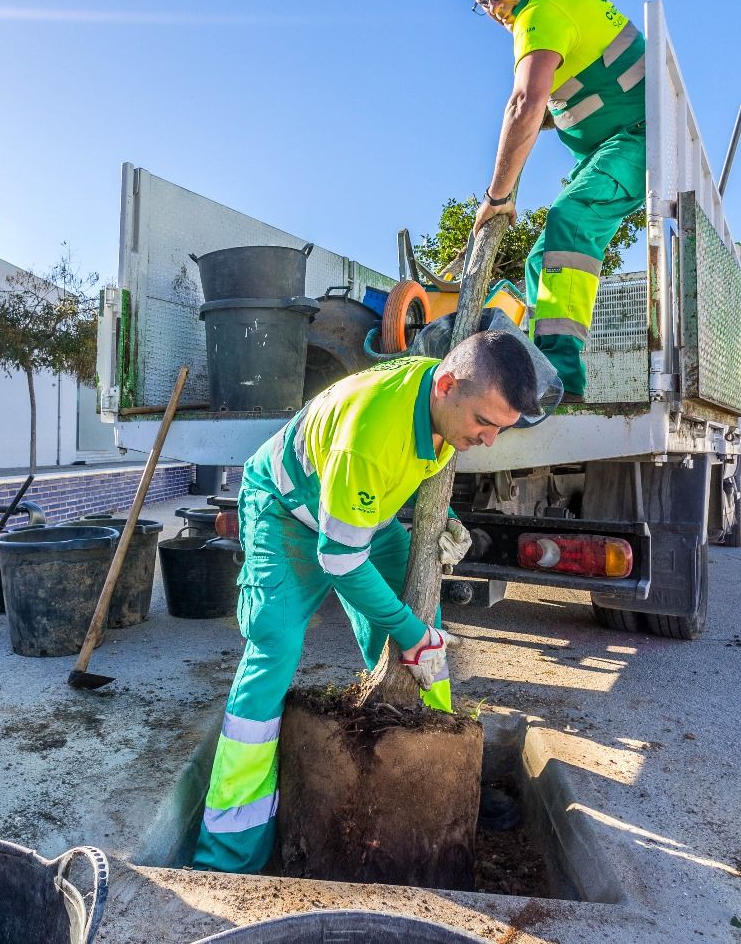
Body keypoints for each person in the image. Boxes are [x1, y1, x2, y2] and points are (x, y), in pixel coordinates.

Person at [192, 330, 540, 874]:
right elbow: (341, 561)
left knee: (425, 624)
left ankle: (436, 776)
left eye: (501, 427)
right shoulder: (370, 433)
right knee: (275, 646)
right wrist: (406, 630)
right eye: (484, 423)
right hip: (286, 510)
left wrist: (442, 523)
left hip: (363, 517)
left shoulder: (444, 398)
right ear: (446, 386)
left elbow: (413, 481)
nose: (490, 440)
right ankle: (231, 847)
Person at [463, 0, 647, 401]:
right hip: (614, 142)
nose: (494, 9)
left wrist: (498, 198)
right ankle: (542, 368)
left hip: (641, 137)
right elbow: (569, 94)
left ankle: (561, 385)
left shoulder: (541, 11)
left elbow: (525, 103)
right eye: (482, 2)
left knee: (571, 217)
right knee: (540, 260)